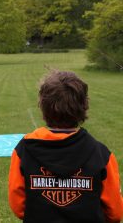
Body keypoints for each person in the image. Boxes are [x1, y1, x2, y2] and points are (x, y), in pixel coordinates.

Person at [8, 71, 123, 222]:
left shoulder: (24, 150)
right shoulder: (101, 153)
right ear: (84, 106)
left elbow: (18, 205)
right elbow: (115, 212)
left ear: (42, 106)